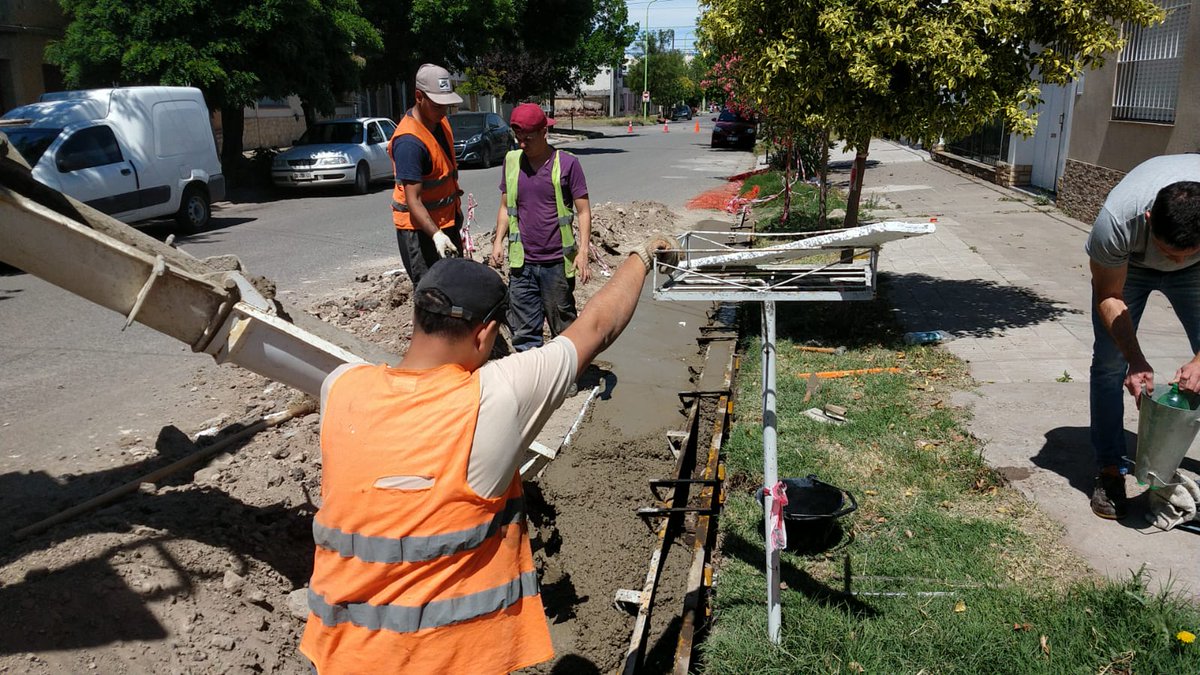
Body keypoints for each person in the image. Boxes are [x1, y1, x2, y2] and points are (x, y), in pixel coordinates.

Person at [300, 240, 675, 673]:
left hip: (338, 654)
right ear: (484, 334)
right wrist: (642, 257)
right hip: (444, 662)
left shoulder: (340, 386)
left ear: (417, 316)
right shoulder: (492, 399)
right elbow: (597, 328)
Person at [1086, 154, 1200, 519]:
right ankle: (1110, 470)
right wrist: (1134, 360)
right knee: (1109, 363)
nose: (1174, 262)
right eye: (1168, 253)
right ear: (1149, 219)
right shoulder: (1118, 221)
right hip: (1130, 264)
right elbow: (1108, 295)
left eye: (1185, 255)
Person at [489, 103, 592, 352]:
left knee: (563, 328)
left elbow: (583, 211)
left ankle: (567, 371)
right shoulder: (512, 162)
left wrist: (583, 252)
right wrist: (498, 241)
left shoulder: (567, 164)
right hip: (522, 263)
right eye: (518, 138)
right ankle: (533, 373)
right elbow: (505, 207)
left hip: (556, 264)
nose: (522, 144)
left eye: (528, 138)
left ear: (544, 132)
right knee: (524, 332)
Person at [388, 63, 465, 286]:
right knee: (430, 293)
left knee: (454, 287)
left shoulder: (440, 122)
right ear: (419, 97)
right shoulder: (409, 143)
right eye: (437, 105)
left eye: (446, 105)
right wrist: (436, 235)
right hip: (420, 231)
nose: (443, 111)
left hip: (445, 222)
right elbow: (413, 201)